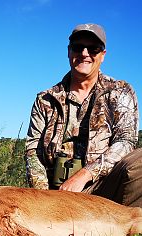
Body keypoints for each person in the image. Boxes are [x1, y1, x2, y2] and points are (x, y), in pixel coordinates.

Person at [25, 23, 142, 207]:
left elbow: (126, 141)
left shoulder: (121, 91)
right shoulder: (45, 99)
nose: (85, 53)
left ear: (102, 55)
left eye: (93, 49)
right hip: (55, 193)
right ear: (69, 52)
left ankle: (129, 227)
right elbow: (33, 152)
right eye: (78, 47)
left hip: (102, 188)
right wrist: (44, 198)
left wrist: (85, 174)